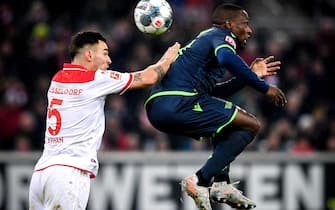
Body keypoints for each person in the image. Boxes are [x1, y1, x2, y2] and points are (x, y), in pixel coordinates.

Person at [144, 3, 287, 210]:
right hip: (177, 100)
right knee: (251, 125)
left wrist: (251, 74)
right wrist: (264, 87)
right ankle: (200, 180)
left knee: (227, 122)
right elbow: (227, 58)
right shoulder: (221, 35)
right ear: (229, 24)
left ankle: (221, 184)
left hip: (162, 106)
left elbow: (217, 92)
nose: (249, 29)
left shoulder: (204, 45)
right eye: (245, 24)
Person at [28, 31, 180, 210]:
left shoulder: (57, 79)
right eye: (105, 53)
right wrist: (170, 56)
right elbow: (149, 77)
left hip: (41, 174)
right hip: (68, 173)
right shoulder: (94, 79)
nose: (109, 60)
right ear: (89, 54)